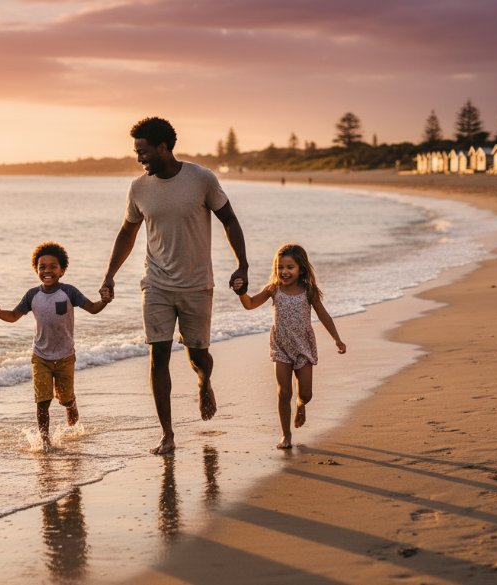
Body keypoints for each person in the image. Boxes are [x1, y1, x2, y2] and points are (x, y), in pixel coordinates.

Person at [100, 116, 249, 455]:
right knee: (158, 355)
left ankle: (204, 381)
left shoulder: (202, 180)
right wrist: (109, 275)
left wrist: (242, 263)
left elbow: (229, 220)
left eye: (143, 152)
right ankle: (167, 433)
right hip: (156, 283)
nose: (139, 158)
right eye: (137, 152)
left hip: (197, 284)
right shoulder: (139, 188)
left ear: (163, 147)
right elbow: (127, 232)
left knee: (198, 355)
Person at [0, 242, 111, 448]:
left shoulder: (69, 292)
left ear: (62, 270)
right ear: (36, 270)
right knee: (42, 401)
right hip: (40, 357)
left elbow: (92, 308)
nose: (47, 270)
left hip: (65, 356)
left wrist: (105, 301)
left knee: (64, 397)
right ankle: (45, 442)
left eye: (52, 266)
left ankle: (70, 403)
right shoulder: (32, 295)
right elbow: (13, 316)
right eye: (42, 267)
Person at [233, 243, 346, 449]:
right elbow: (249, 304)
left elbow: (324, 315)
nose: (284, 272)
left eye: (290, 267)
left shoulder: (309, 291)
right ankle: (286, 434)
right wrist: (241, 291)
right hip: (280, 346)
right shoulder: (273, 289)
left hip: (303, 346)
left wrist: (337, 339)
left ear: (301, 268)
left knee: (306, 394)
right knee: (283, 392)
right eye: (280, 267)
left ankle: (301, 405)